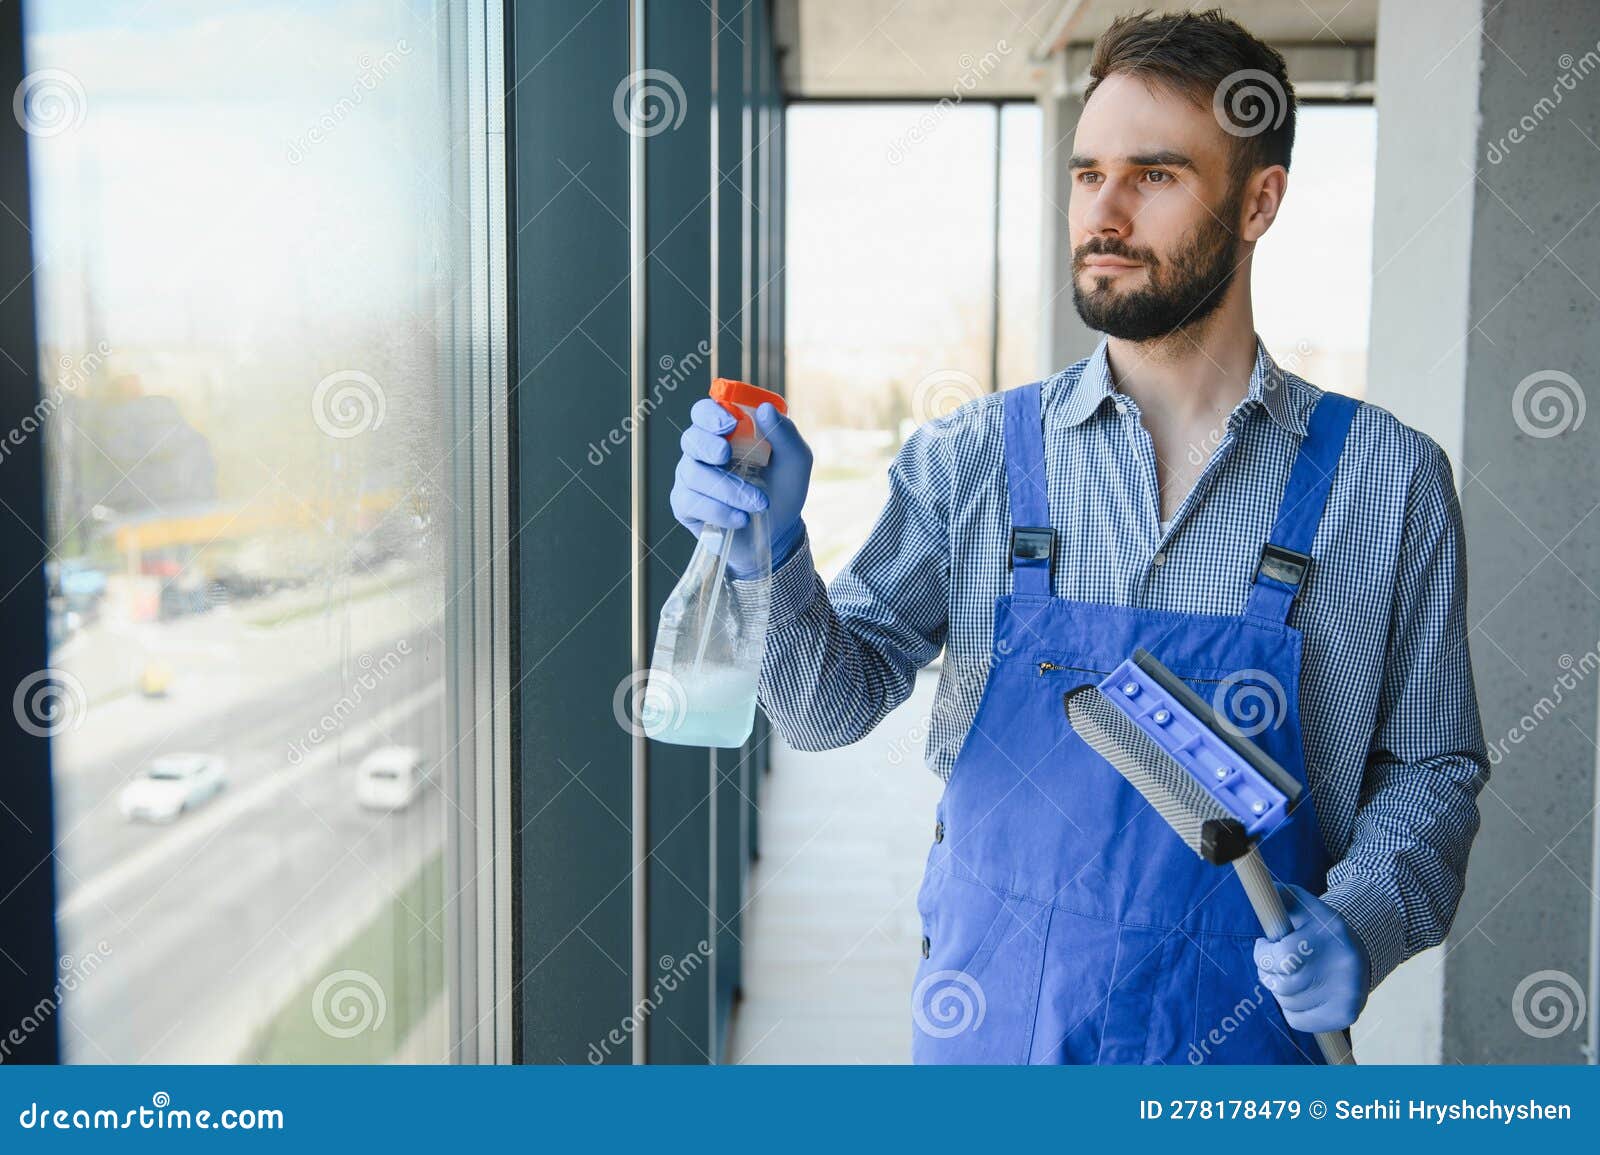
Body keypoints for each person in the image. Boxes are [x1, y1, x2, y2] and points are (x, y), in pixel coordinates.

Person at [670, 7, 1488, 1064]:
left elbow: (1429, 769)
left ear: (1258, 201)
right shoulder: (971, 460)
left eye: (1153, 174)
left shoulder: (1387, 482)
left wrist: (1362, 924)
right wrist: (769, 554)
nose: (1102, 210)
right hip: (993, 1047)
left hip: (1244, 1059)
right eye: (1085, 172)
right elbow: (827, 708)